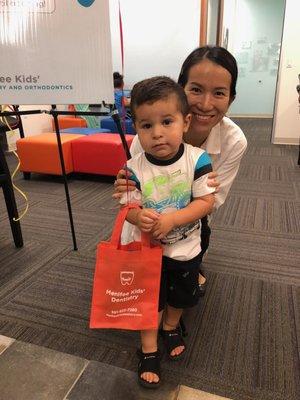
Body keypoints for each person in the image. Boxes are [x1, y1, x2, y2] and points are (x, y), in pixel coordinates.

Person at [113, 46, 247, 293]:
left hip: (193, 216)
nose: (205, 104)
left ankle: (191, 264)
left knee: (187, 266)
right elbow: (135, 194)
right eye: (196, 90)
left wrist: (177, 215)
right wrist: (127, 188)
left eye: (219, 93)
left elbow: (213, 201)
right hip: (152, 216)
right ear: (181, 89)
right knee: (150, 281)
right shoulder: (146, 140)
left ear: (231, 99)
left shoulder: (234, 140)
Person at [120, 76, 215, 388]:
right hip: (148, 254)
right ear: (136, 129)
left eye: (166, 121)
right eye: (146, 126)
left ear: (185, 122)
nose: (157, 133)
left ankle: (171, 326)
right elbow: (127, 207)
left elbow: (206, 201)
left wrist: (173, 219)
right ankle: (148, 349)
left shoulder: (197, 159)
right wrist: (138, 217)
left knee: (181, 295)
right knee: (150, 299)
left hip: (185, 249)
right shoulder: (133, 167)